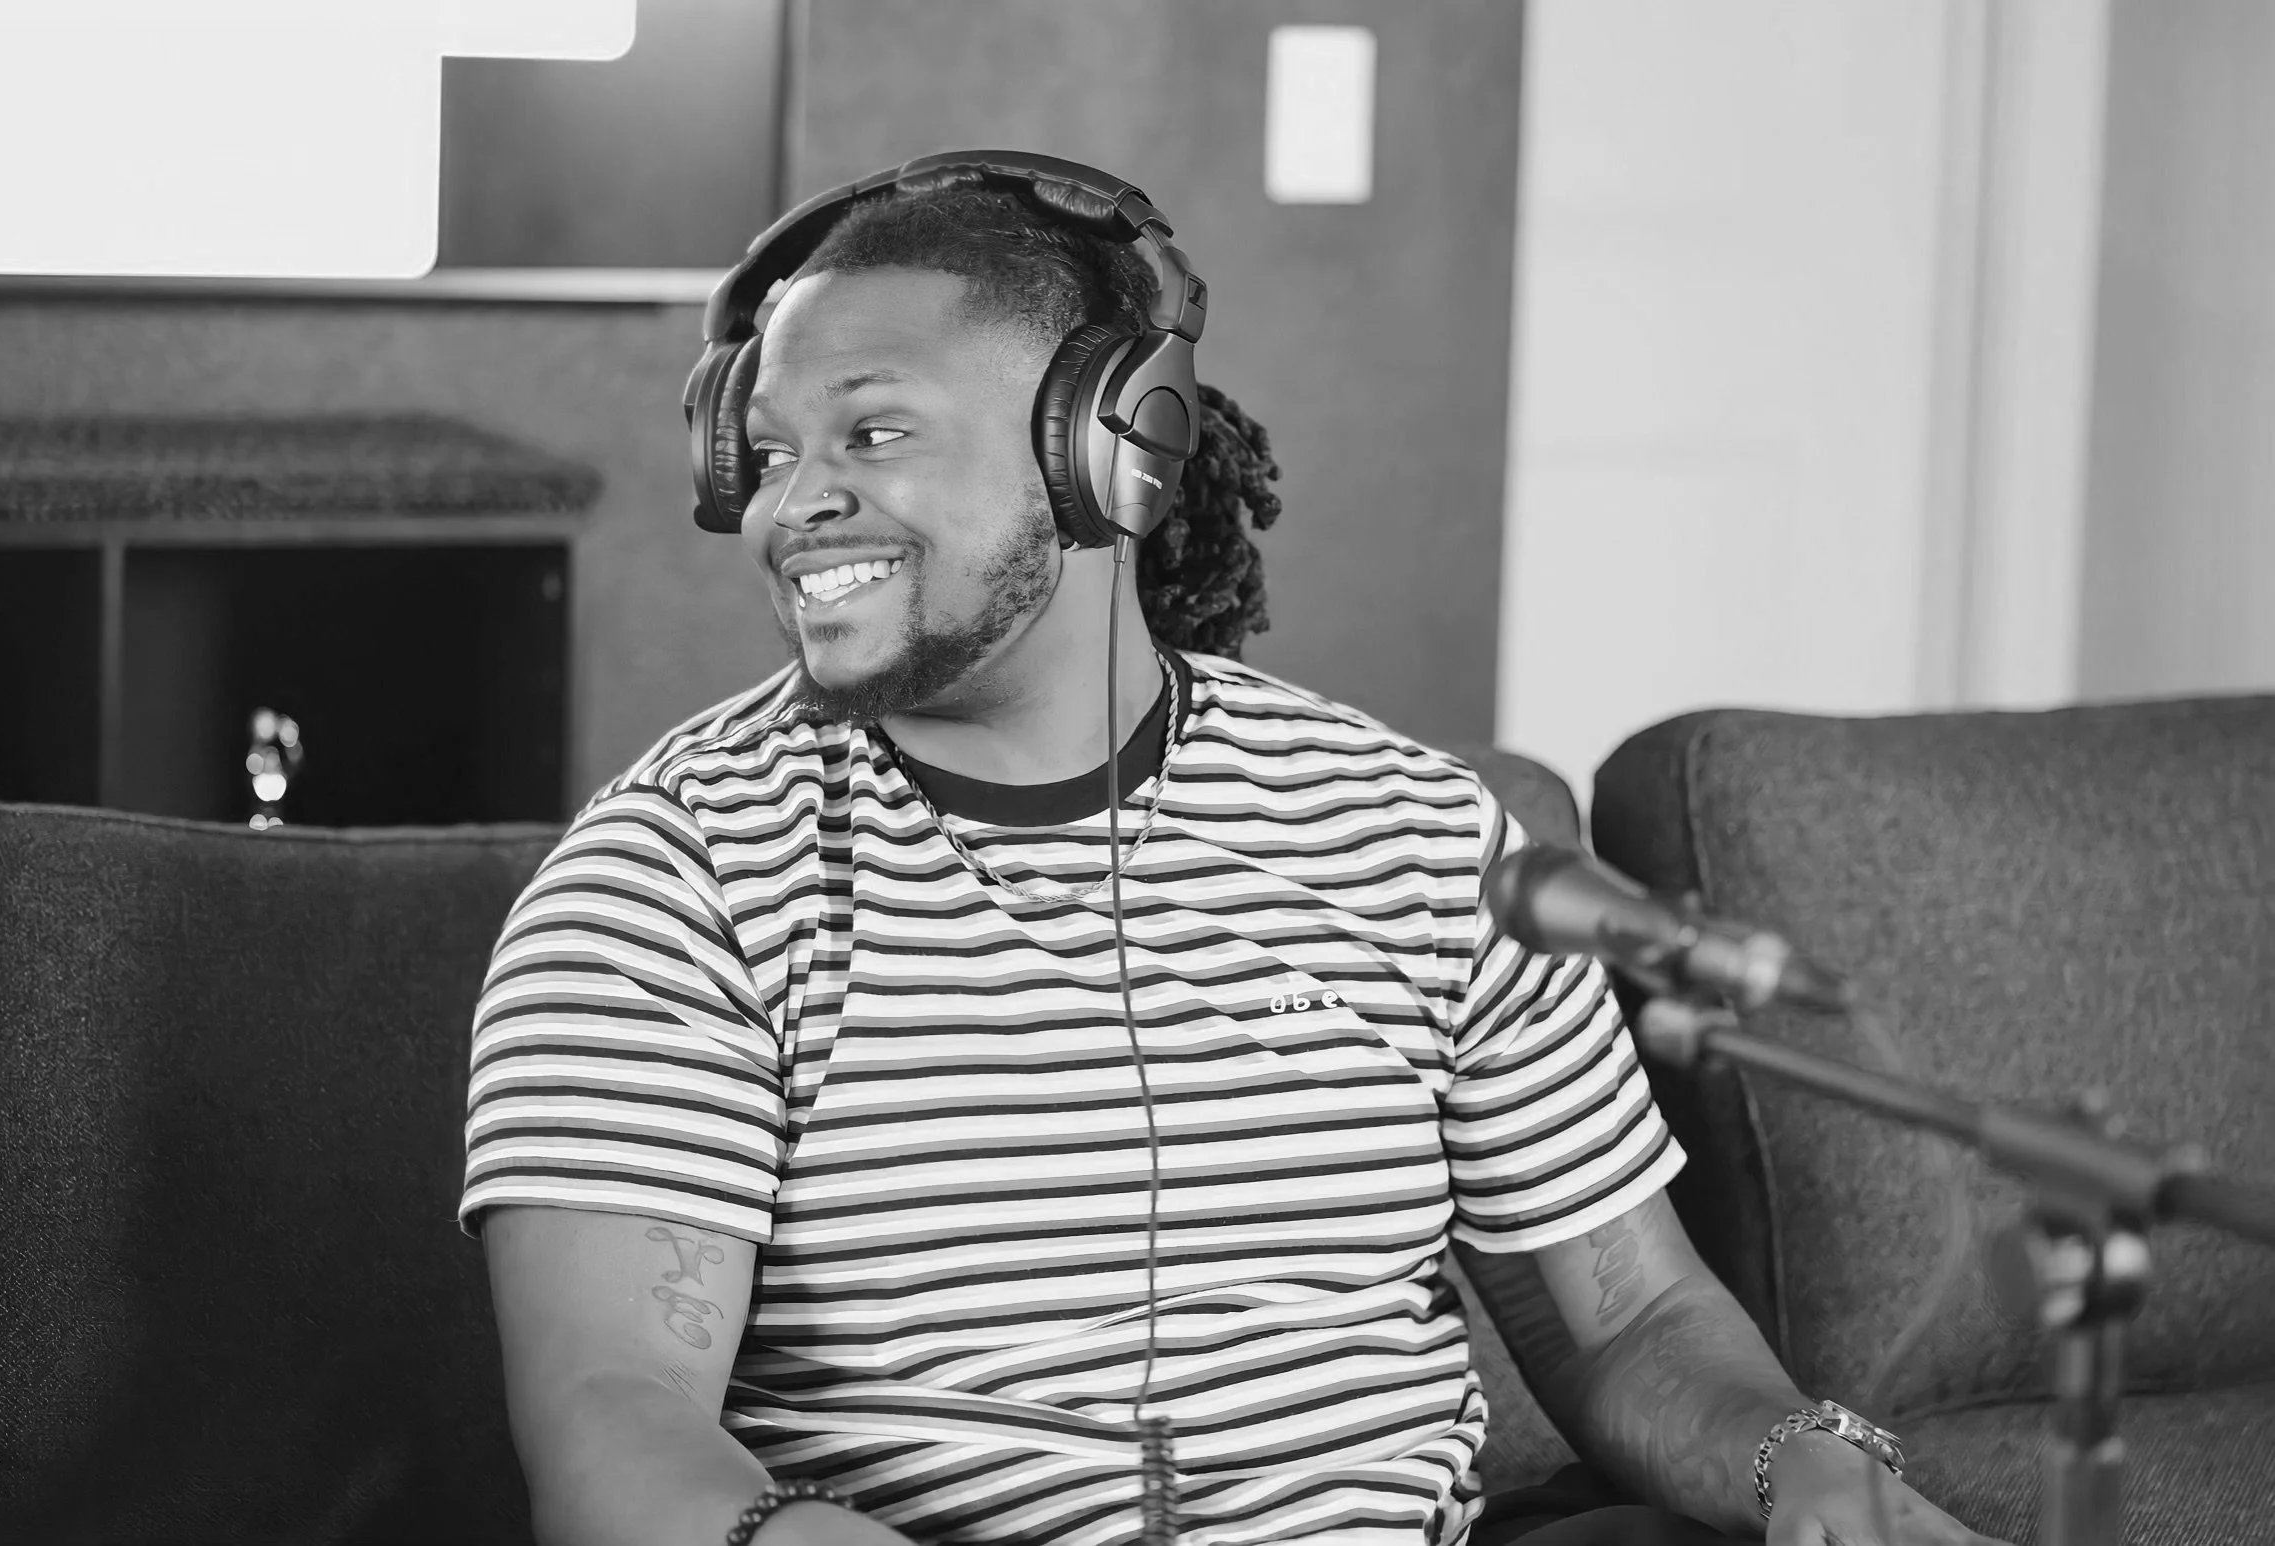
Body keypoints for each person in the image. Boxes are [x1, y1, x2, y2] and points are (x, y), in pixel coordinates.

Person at [460, 156, 2005, 1546]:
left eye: (870, 430)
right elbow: (617, 1419)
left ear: (1109, 449)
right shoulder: (669, 879)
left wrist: (1816, 1476)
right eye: (769, 453)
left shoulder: (1417, 836)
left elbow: (1634, 1320)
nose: (795, 504)